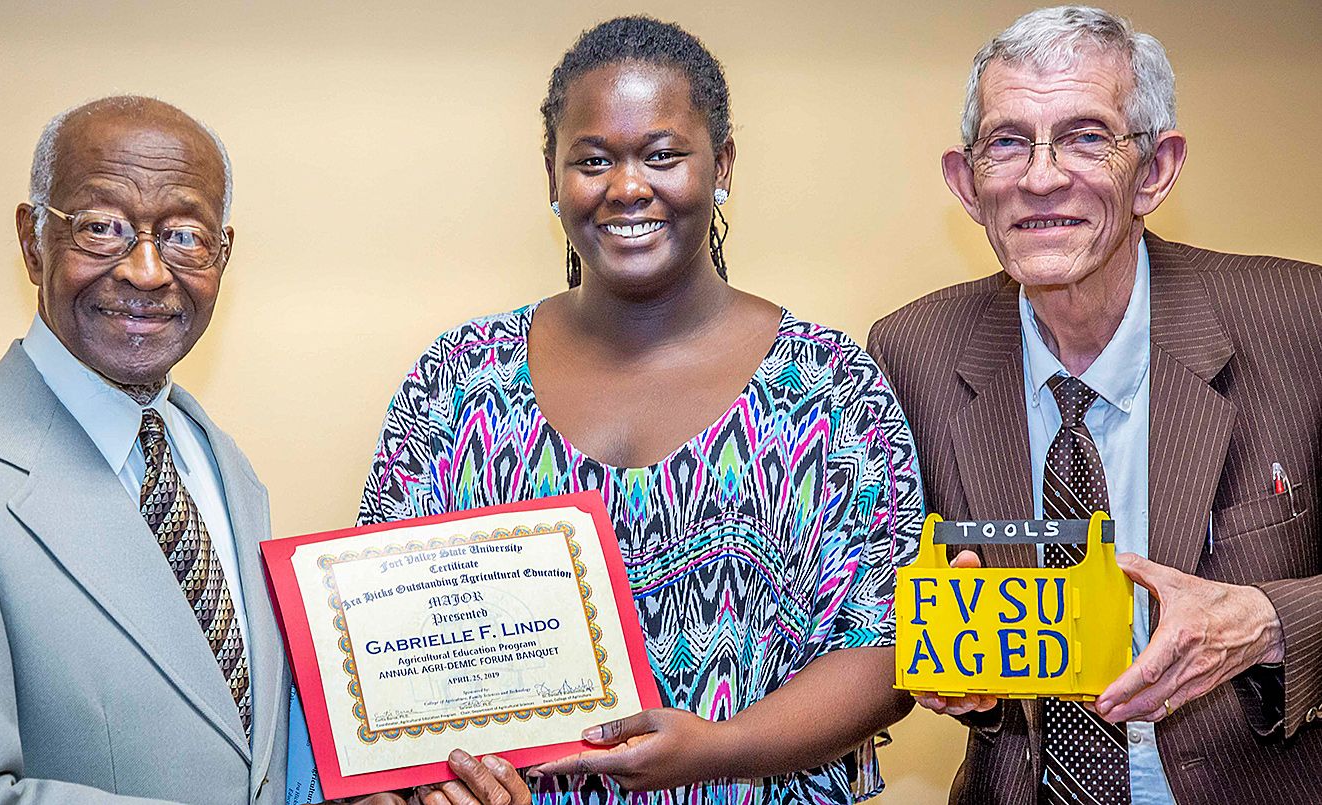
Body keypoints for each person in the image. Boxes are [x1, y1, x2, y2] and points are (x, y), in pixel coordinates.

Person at [291, 15, 923, 803]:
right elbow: (384, 639)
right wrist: (412, 780)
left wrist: (718, 750)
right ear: (551, 175)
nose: (627, 186)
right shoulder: (458, 382)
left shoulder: (830, 388)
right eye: (593, 160)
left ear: (722, 164)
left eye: (663, 155)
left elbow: (892, 644)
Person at [867, 6, 1321, 804]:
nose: (1041, 177)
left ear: (1155, 169)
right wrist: (958, 675)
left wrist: (1265, 620)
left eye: (1085, 136)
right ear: (966, 183)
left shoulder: (1300, 318)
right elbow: (907, 611)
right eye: (1008, 142)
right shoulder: (913, 352)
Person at [0, 96, 286, 802]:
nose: (148, 270)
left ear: (223, 253)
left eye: (186, 234)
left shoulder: (225, 469)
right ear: (31, 239)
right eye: (102, 227)